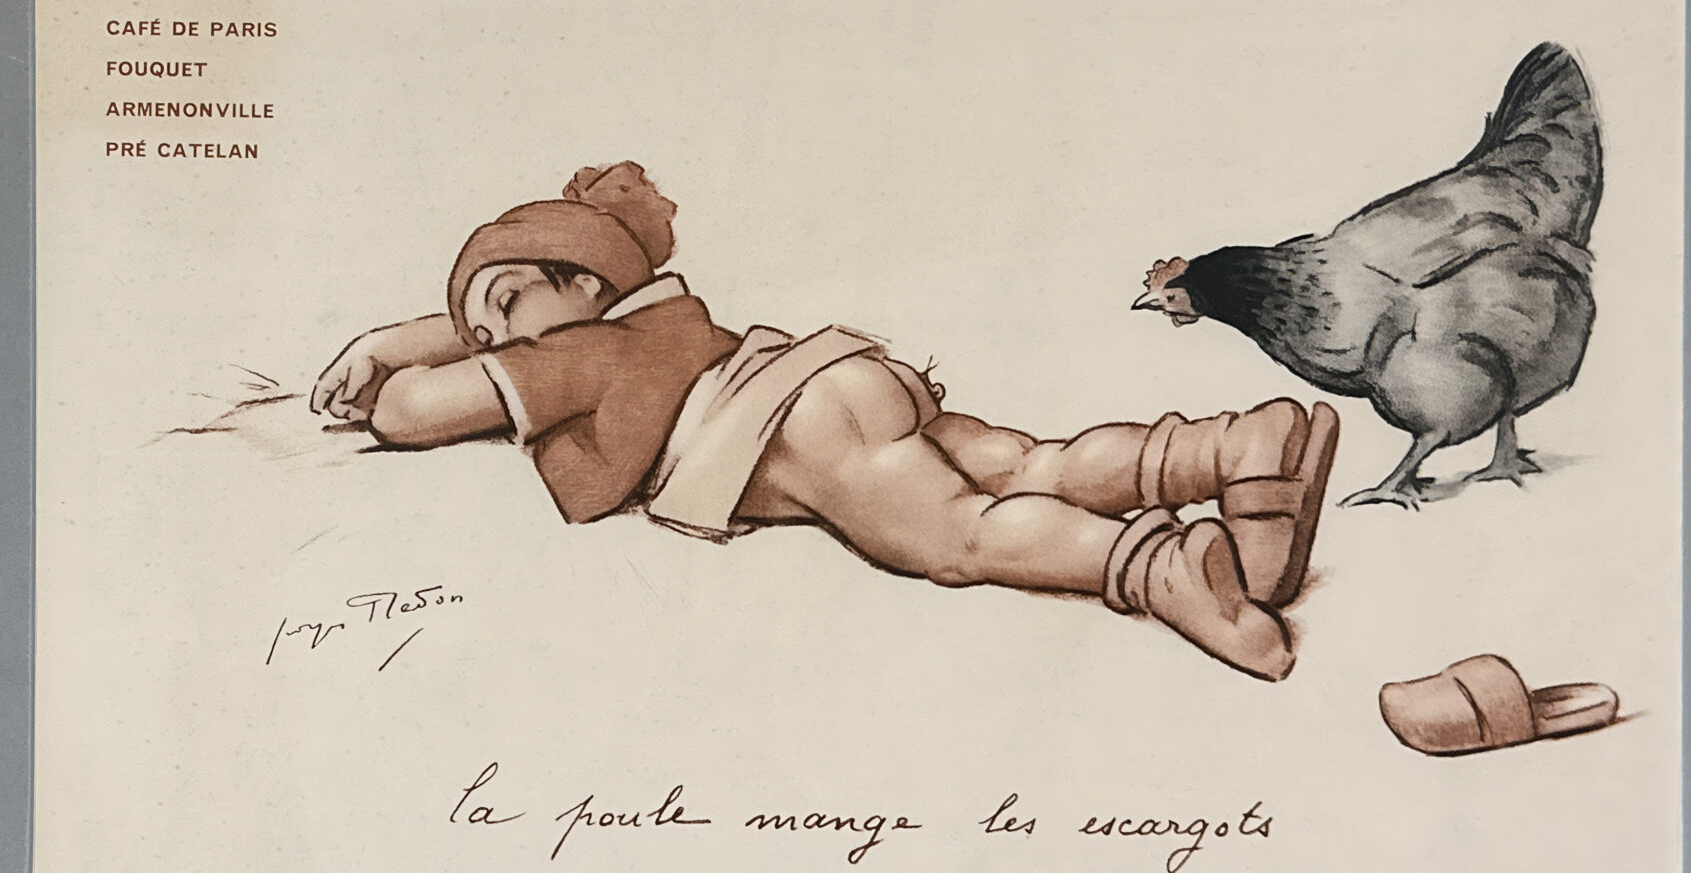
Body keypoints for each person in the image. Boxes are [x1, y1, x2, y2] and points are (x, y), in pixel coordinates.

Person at [310, 163, 1338, 680]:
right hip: (830, 374)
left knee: (963, 535)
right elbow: (493, 333)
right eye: (480, 331)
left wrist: (387, 351)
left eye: (501, 308)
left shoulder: (577, 353)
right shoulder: (654, 316)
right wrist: (461, 318)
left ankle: (1160, 569)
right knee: (1025, 462)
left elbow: (411, 412)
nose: (490, 342)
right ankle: (1225, 450)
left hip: (783, 432)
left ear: (582, 283)